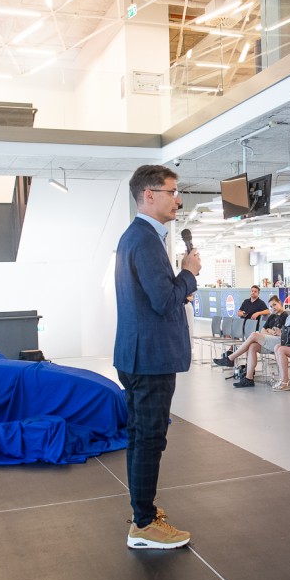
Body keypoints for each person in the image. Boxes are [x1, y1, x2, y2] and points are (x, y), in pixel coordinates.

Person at [114, 164, 200, 550]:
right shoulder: (146, 240)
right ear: (149, 195)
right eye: (172, 191)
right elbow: (164, 301)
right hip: (150, 358)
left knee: (140, 436)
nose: (178, 199)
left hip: (138, 354)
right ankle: (144, 525)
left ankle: (142, 511)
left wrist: (180, 282)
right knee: (149, 439)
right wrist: (188, 274)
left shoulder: (136, 237)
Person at [217, 295, 288, 388]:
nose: (273, 308)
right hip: (270, 341)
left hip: (279, 343)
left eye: (274, 305)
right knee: (252, 347)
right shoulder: (272, 316)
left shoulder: (285, 315)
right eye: (271, 306)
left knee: (254, 335)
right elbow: (263, 330)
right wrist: (271, 332)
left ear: (280, 303)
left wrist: (271, 331)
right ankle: (249, 378)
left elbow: (281, 333)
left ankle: (231, 358)